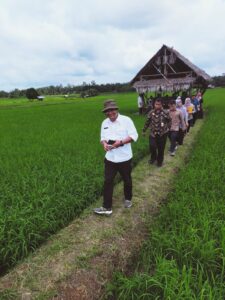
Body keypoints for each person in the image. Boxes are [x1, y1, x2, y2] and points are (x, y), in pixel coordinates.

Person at [94, 100, 138, 215]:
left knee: (127, 179)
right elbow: (102, 137)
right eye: (107, 111)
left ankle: (128, 198)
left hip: (124, 158)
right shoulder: (105, 123)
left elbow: (134, 136)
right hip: (110, 158)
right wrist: (104, 144)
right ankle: (107, 207)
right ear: (105, 112)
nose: (110, 113)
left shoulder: (126, 120)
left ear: (116, 109)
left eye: (112, 110)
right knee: (108, 181)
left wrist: (120, 142)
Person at [142, 98, 171, 167]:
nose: (158, 106)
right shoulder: (151, 112)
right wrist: (144, 130)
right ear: (154, 104)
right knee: (152, 146)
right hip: (153, 133)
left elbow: (169, 121)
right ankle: (153, 158)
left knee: (161, 149)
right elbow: (147, 122)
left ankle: (159, 161)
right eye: (156, 104)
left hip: (162, 134)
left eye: (159, 104)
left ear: (162, 105)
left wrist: (167, 128)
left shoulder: (165, 112)